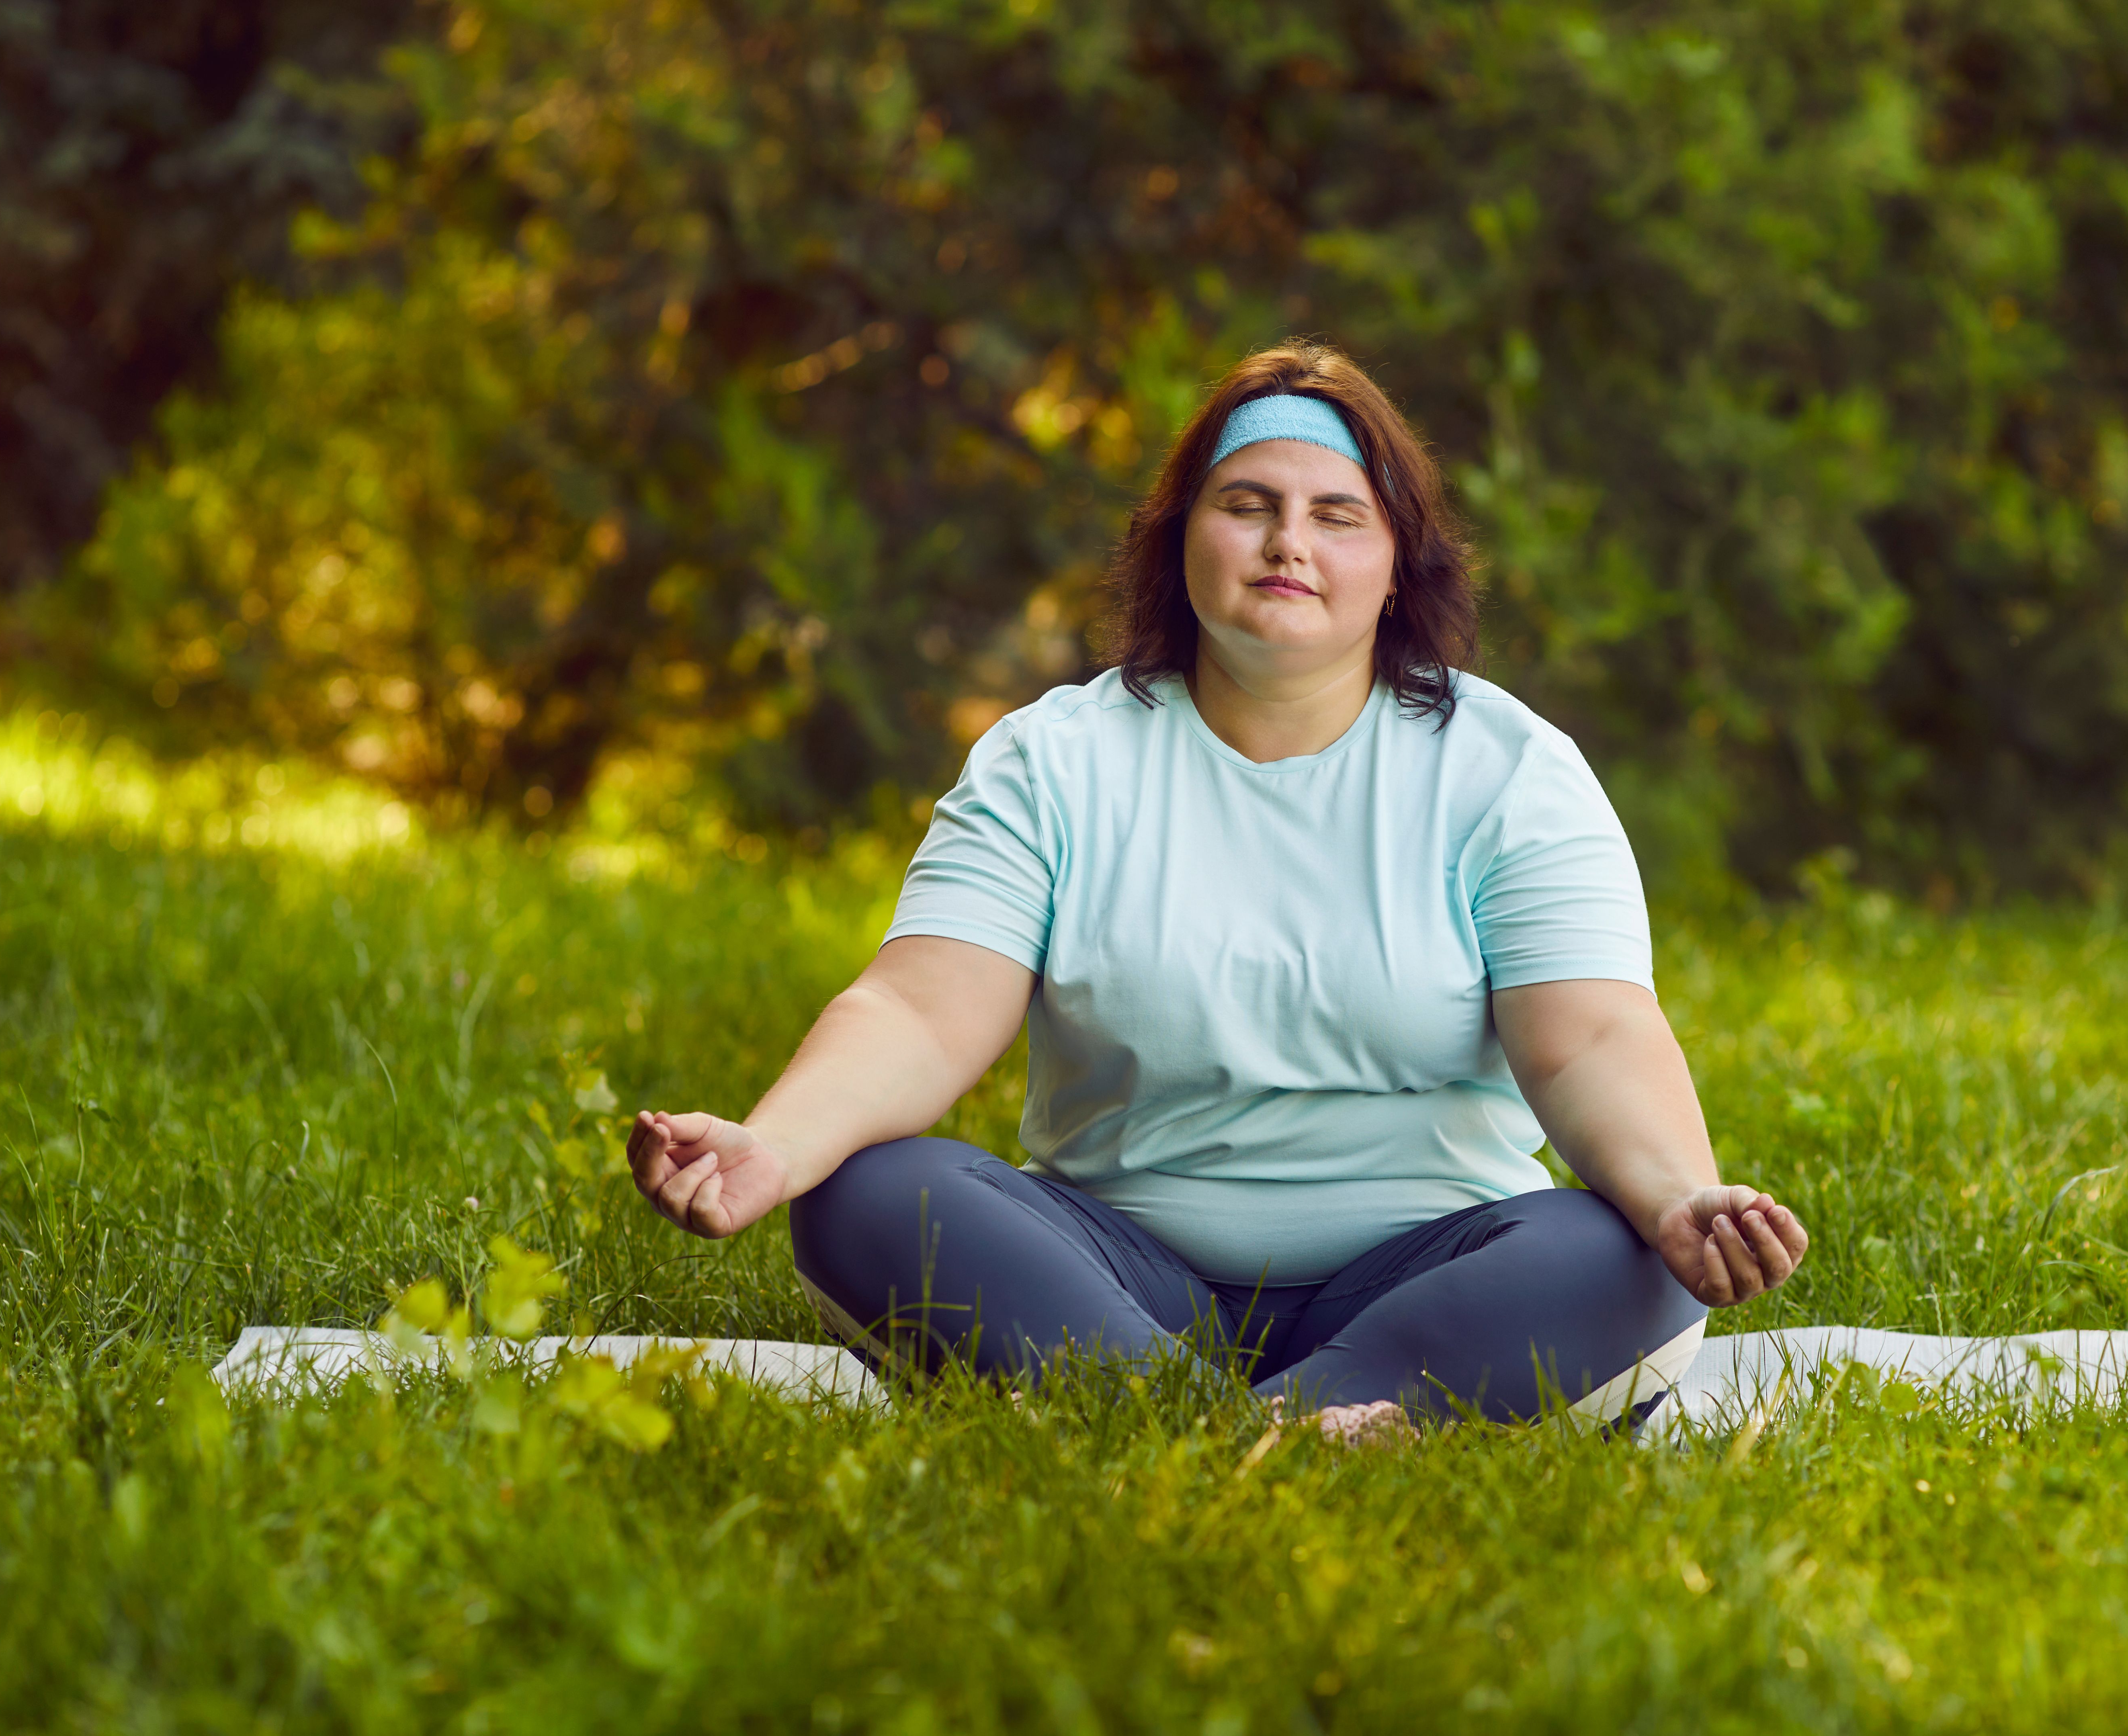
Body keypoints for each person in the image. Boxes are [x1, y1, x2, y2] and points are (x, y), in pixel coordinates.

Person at [626, 342, 1808, 1437]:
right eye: (1248, 507)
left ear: (1397, 565)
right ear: (1180, 538)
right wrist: (775, 1148)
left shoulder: (1511, 770)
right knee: (871, 1196)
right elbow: (920, 1010)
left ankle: (1194, 1428)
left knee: (1625, 1256)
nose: (1288, 543)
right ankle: (1272, 1429)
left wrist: (1677, 1202)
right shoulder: (1056, 760)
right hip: (1109, 1273)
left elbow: (1590, 1039)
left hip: (1436, 1268)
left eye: (1336, 516)